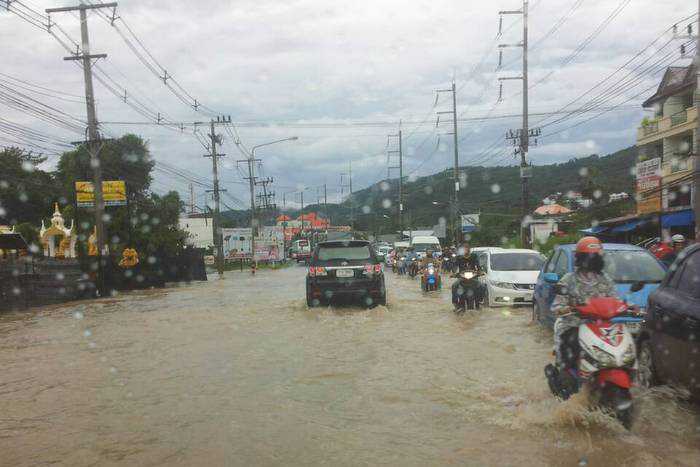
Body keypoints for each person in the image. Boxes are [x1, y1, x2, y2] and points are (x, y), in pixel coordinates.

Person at [551, 236, 618, 370]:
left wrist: (627, 306)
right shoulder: (568, 280)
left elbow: (615, 300)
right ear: (580, 258)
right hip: (574, 326)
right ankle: (565, 373)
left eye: (595, 257)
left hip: (601, 328)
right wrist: (567, 308)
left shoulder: (606, 280)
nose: (592, 261)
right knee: (567, 352)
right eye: (589, 257)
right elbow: (557, 306)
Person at [451, 242, 482, 307]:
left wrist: (480, 271)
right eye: (464, 248)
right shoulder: (459, 257)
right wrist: (453, 273)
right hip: (462, 278)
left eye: (467, 248)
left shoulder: (474, 256)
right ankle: (455, 303)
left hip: (473, 277)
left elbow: (478, 265)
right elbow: (455, 267)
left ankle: (479, 301)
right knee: (454, 286)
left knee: (481, 286)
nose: (466, 249)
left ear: (469, 249)